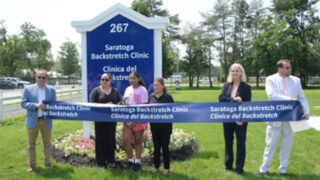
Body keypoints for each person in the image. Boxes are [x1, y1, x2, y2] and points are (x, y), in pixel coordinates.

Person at [258, 59, 310, 178]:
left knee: (287, 145)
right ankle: (263, 169)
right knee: (270, 144)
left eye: (290, 67)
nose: (289, 70)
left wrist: (306, 111)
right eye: (287, 68)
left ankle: (283, 170)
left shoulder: (296, 80)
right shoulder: (270, 79)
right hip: (276, 117)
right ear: (279, 68)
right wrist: (290, 99)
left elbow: (302, 97)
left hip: (293, 117)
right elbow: (271, 96)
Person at [219, 63, 251, 175]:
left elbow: (248, 105)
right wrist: (233, 99)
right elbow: (221, 98)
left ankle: (239, 168)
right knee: (228, 142)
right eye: (233, 71)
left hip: (241, 120)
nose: (235, 73)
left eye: (237, 71)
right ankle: (228, 165)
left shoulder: (246, 87)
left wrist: (241, 117)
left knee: (240, 143)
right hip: (227, 118)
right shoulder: (226, 85)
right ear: (230, 73)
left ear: (241, 72)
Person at [21, 69, 56, 172]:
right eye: (39, 77)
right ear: (36, 77)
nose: (41, 79)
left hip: (46, 120)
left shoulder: (51, 90)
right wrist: (35, 105)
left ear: (47, 79)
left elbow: (54, 104)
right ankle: (32, 165)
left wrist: (48, 107)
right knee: (31, 144)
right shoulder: (28, 89)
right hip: (32, 120)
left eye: (43, 77)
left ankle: (47, 163)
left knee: (47, 143)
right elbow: (23, 103)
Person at [89, 73, 121, 168]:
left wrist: (114, 105)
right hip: (99, 120)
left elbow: (120, 103)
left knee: (111, 140)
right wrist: (105, 105)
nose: (104, 81)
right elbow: (91, 105)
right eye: (102, 79)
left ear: (110, 81)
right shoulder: (96, 91)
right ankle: (100, 162)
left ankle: (111, 160)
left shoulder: (115, 91)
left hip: (111, 120)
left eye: (106, 80)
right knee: (100, 140)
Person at [123, 72, 148, 173]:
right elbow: (124, 104)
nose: (131, 80)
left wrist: (135, 119)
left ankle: (137, 163)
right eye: (130, 79)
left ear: (138, 79)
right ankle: (130, 161)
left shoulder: (143, 90)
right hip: (127, 120)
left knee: (138, 142)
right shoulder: (128, 89)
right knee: (126, 141)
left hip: (139, 120)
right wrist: (127, 119)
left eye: (133, 78)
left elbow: (144, 106)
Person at [149, 78, 174, 175]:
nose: (155, 87)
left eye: (157, 85)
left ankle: (166, 168)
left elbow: (173, 111)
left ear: (163, 86)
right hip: (154, 127)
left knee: (165, 147)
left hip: (165, 127)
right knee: (156, 147)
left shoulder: (168, 97)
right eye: (154, 85)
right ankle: (156, 166)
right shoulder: (151, 97)